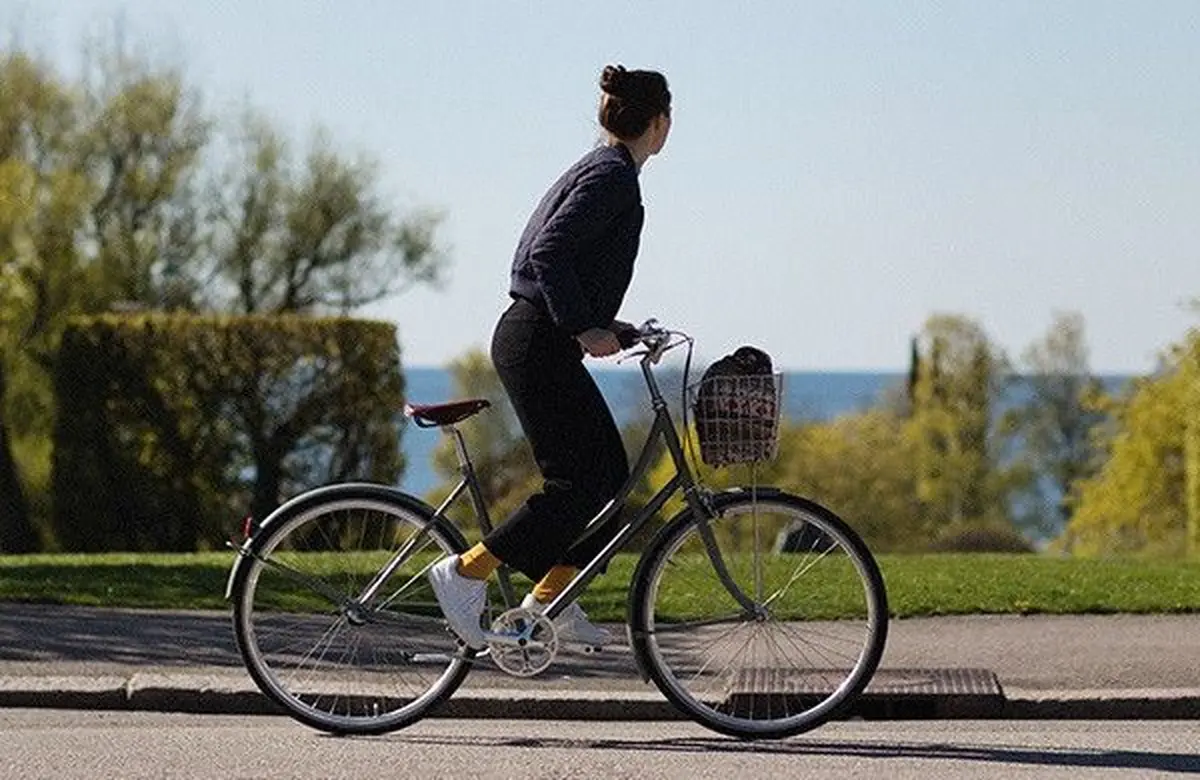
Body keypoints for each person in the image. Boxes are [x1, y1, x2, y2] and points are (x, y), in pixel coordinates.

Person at [429, 64, 672, 649]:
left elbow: (558, 264)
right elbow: (549, 253)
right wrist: (582, 327)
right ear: (660, 125)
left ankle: (552, 600)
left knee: (608, 480)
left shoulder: (604, 169)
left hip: (541, 339)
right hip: (537, 342)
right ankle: (464, 573)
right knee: (578, 482)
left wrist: (609, 327)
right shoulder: (612, 177)